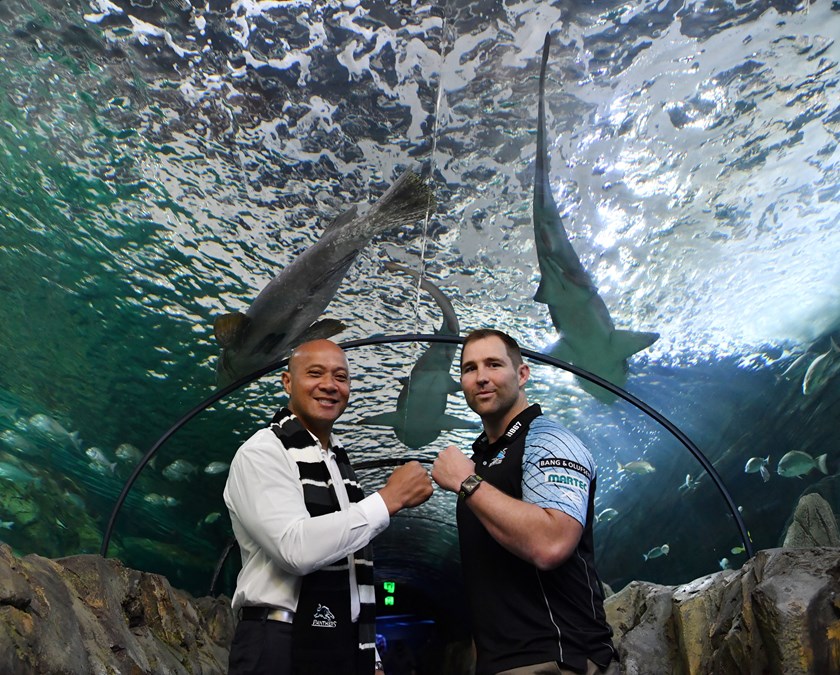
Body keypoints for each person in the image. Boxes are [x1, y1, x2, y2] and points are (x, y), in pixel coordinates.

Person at [224, 339, 434, 675]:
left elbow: (352, 572)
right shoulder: (261, 453)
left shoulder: (339, 466)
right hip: (277, 640)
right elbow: (295, 549)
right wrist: (388, 499)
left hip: (341, 643)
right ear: (288, 382)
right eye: (315, 373)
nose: (329, 385)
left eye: (340, 377)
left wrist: (371, 658)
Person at [432, 329, 618, 675]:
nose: (481, 377)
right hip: (503, 663)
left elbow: (551, 543)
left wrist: (466, 482)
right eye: (470, 368)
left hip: (555, 658)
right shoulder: (482, 458)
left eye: (493, 364)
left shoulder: (549, 440)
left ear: (522, 374)